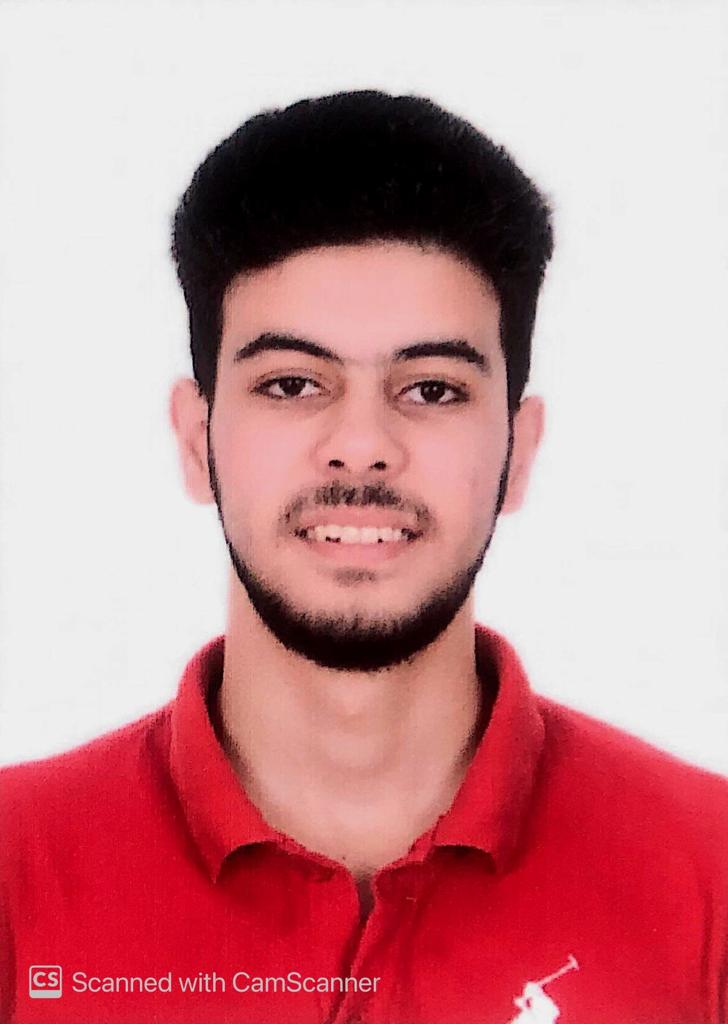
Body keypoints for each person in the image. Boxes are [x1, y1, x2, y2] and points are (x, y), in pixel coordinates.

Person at [1, 89, 726, 1024]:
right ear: (194, 440)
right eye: (291, 383)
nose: (361, 445)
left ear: (519, 451)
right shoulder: (16, 872)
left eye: (432, 389)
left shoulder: (709, 875)